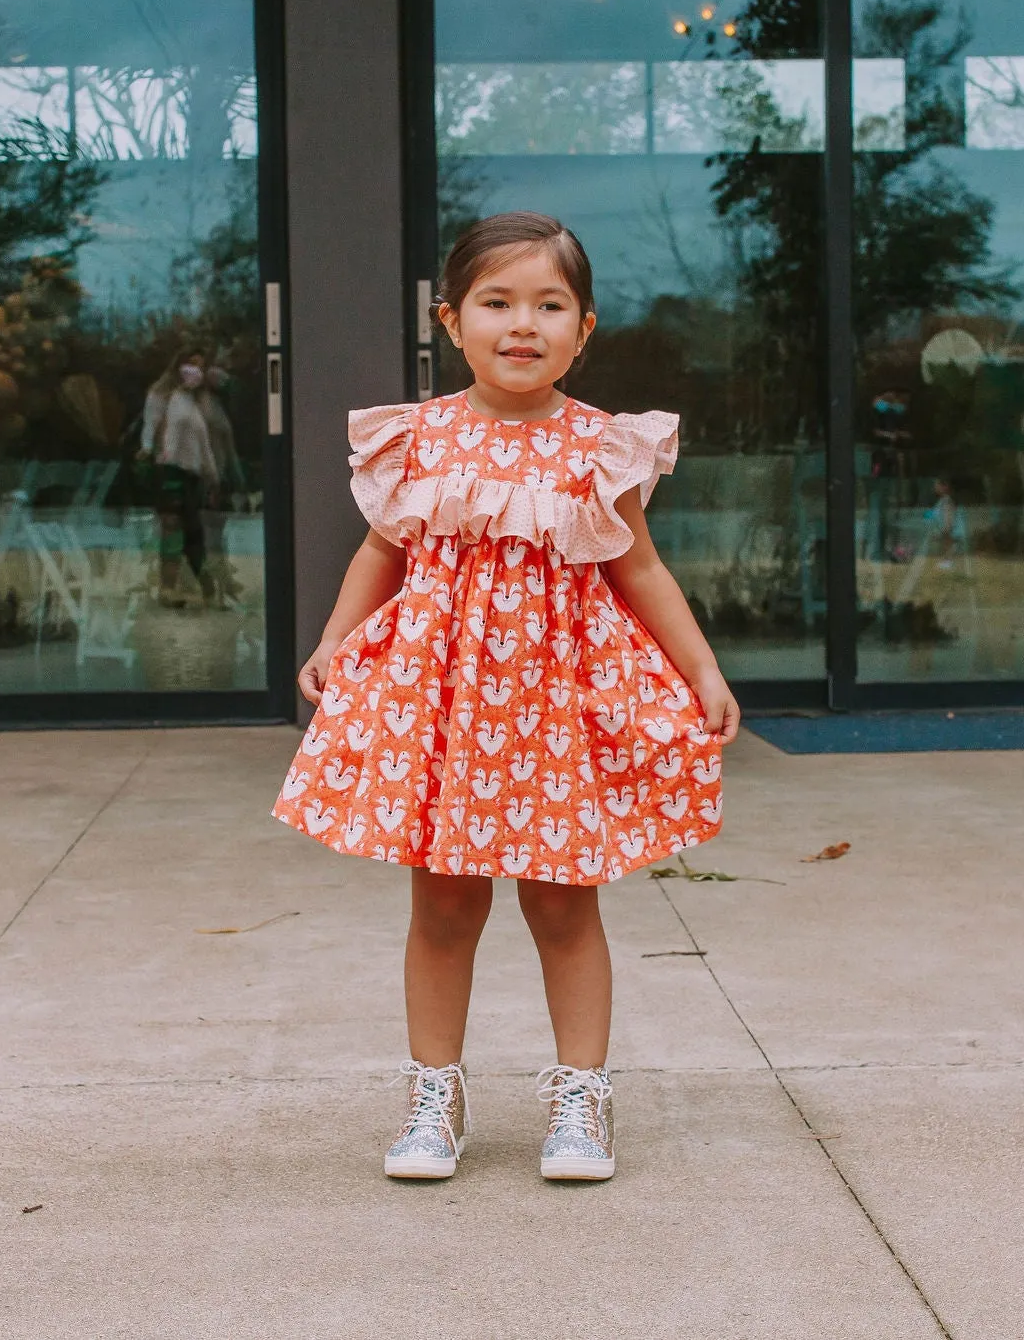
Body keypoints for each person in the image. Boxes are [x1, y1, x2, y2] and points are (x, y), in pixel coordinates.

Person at [271, 211, 739, 1184]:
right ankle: (432, 1095)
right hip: (445, 710)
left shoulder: (601, 448)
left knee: (563, 907)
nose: (520, 324)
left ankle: (580, 1098)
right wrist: (331, 642)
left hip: (557, 713)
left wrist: (700, 669)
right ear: (450, 322)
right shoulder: (418, 440)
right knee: (442, 907)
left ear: (583, 329)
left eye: (547, 305)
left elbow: (639, 572)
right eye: (495, 302)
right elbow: (380, 551)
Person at [137, 351, 225, 605]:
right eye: (191, 364)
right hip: (169, 472)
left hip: (191, 476)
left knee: (192, 532)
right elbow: (150, 426)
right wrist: (149, 451)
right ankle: (170, 589)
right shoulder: (162, 396)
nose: (195, 371)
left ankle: (207, 590)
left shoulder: (192, 403)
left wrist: (212, 477)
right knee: (173, 529)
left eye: (200, 366)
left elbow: (203, 445)